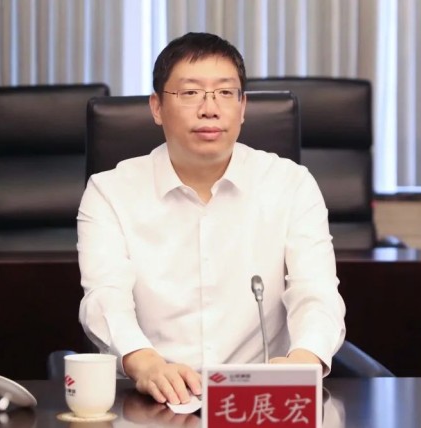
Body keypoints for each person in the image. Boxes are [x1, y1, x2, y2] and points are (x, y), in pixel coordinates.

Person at [77, 32, 345, 406]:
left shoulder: (291, 184)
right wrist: (145, 362)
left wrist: (305, 359)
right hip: (152, 400)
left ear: (243, 106)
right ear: (157, 107)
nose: (210, 108)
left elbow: (315, 292)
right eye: (190, 93)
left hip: (258, 402)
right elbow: (105, 296)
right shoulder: (110, 192)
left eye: (225, 92)